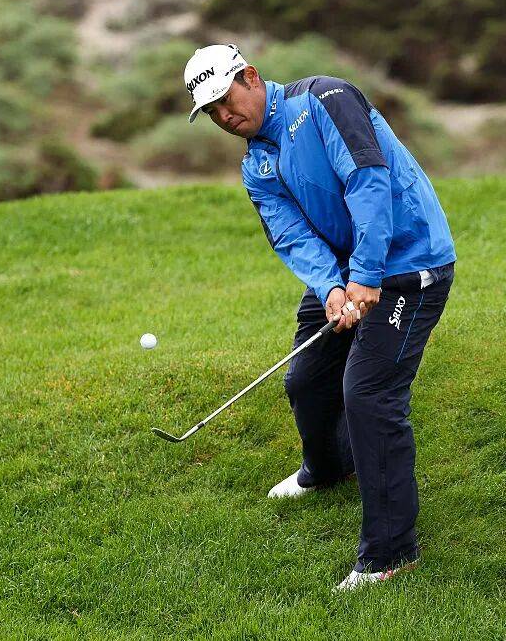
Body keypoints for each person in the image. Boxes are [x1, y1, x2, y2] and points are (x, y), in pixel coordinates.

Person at [183, 43, 457, 591]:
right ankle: (329, 468)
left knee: (369, 394)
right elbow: (289, 234)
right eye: (211, 111)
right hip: (345, 271)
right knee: (306, 380)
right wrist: (331, 286)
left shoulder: (326, 98)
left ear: (251, 76)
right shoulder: (255, 164)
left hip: (409, 264)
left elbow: (369, 180)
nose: (224, 116)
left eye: (225, 99)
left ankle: (391, 552)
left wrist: (367, 274)